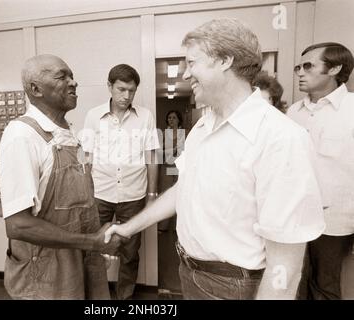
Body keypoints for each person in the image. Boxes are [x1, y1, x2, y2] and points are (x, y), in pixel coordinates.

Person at [104, 19, 326, 300]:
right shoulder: (203, 126)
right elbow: (183, 188)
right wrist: (127, 228)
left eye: (192, 62)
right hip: (191, 274)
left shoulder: (280, 138)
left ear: (224, 60)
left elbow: (286, 266)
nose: (186, 74)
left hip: (235, 287)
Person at [0, 54, 122, 300]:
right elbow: (17, 225)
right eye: (61, 76)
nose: (73, 82)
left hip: (82, 261)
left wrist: (94, 244)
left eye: (72, 76)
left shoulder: (68, 134)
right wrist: (91, 242)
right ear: (35, 89)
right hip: (46, 272)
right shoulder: (21, 136)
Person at [81, 64, 160, 300]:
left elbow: (152, 156)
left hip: (134, 196)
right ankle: (98, 298)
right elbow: (86, 158)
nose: (126, 96)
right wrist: (87, 193)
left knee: (130, 251)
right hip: (100, 195)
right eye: (121, 89)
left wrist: (152, 196)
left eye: (132, 91)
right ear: (110, 87)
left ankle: (124, 298)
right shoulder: (93, 116)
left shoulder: (145, 116)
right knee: (94, 249)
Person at [287, 42, 354, 300]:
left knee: (325, 285)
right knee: (293, 283)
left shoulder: (351, 108)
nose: (300, 73)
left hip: (336, 221)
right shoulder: (294, 112)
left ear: (335, 68)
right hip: (295, 217)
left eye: (308, 66)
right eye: (298, 67)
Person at [158, 110, 185, 232]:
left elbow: (184, 151)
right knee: (166, 195)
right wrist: (172, 149)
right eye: (169, 118)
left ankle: (178, 228)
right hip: (167, 168)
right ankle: (163, 227)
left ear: (179, 119)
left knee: (180, 196)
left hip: (179, 168)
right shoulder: (164, 134)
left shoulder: (184, 133)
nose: (171, 120)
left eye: (174, 117)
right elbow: (158, 152)